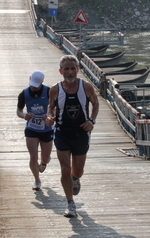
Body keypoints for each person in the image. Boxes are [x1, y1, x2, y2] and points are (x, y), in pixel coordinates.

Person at [46, 55, 99, 217]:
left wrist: (92, 120)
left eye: (72, 69)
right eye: (66, 69)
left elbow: (96, 103)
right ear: (60, 71)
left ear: (78, 70)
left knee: (78, 170)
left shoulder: (86, 87)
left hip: (81, 132)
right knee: (64, 169)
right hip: (62, 132)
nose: (70, 72)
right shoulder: (55, 89)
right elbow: (51, 107)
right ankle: (70, 204)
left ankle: (75, 179)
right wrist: (50, 117)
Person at [17, 71, 54, 191]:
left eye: (36, 85)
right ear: (29, 79)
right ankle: (37, 180)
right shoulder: (24, 94)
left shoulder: (49, 92)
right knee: (33, 157)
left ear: (42, 82)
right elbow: (19, 111)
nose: (33, 87)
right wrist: (24, 116)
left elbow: (56, 109)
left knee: (45, 158)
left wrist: (48, 116)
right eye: (32, 84)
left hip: (46, 128)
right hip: (32, 128)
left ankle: (44, 163)